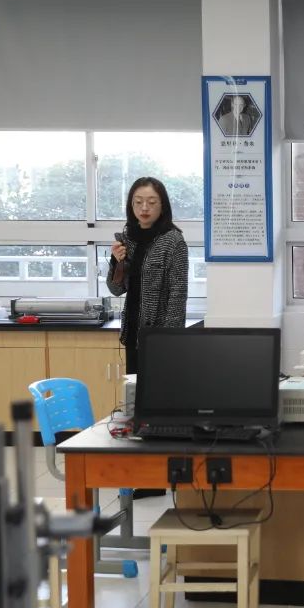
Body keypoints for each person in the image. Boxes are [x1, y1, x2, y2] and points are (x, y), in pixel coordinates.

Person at [107, 177, 189, 500]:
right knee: (137, 404)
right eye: (138, 202)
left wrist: (169, 341)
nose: (144, 208)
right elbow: (116, 289)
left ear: (162, 205)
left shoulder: (173, 241)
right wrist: (117, 262)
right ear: (131, 205)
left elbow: (178, 294)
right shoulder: (126, 238)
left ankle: (160, 476)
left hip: (160, 336)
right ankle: (144, 474)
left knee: (159, 407)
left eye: (151, 202)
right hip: (134, 333)